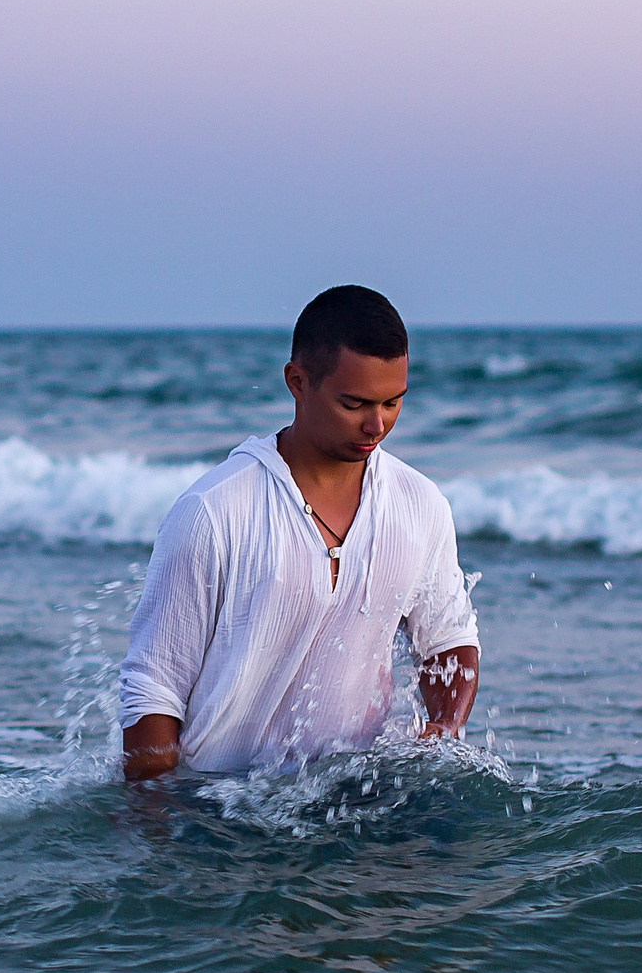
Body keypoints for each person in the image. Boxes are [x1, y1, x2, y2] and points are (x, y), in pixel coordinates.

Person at [118, 285, 480, 780]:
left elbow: (448, 641)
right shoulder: (214, 510)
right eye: (353, 404)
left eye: (393, 402)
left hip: (353, 800)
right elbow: (153, 686)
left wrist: (442, 730)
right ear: (298, 382)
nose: (377, 425)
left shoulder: (420, 505)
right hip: (219, 806)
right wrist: (156, 828)